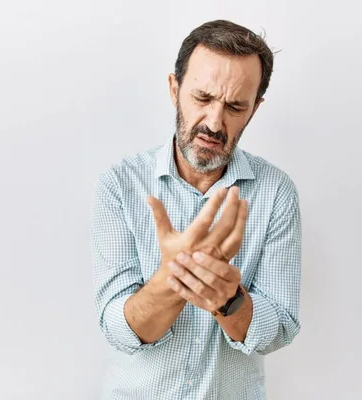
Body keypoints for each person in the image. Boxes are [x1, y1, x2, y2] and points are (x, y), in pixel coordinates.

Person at [90, 19, 302, 400]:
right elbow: (117, 329)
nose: (215, 122)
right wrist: (174, 279)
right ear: (175, 89)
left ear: (254, 109)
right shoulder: (119, 185)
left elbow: (281, 327)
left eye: (236, 106)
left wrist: (228, 300)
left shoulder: (277, 193)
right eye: (202, 98)